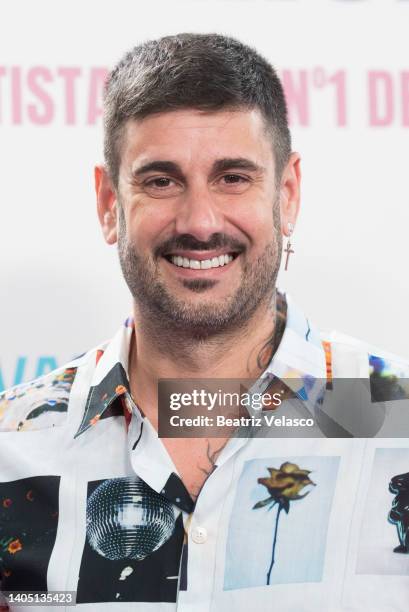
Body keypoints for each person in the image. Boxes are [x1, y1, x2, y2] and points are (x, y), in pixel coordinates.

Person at [0, 33, 408, 612]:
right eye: (161, 181)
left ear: (287, 194)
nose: (199, 221)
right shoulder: (11, 447)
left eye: (233, 177)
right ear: (108, 203)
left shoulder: (400, 427)